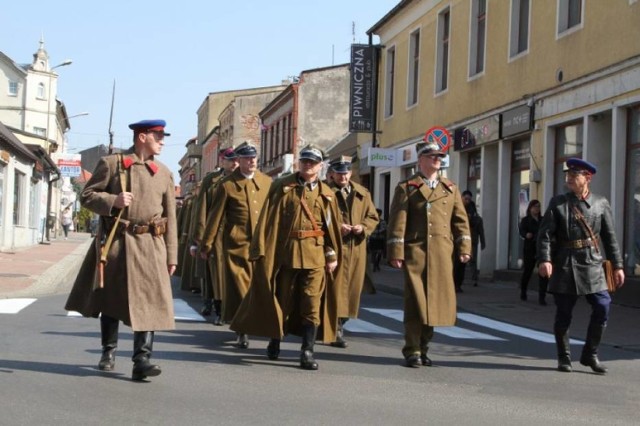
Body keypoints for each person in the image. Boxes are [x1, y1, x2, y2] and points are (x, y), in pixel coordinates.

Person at [65, 119, 178, 381]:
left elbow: (171, 218)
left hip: (151, 244)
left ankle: (142, 359)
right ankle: (109, 351)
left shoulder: (163, 172)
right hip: (119, 241)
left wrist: (172, 255)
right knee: (111, 299)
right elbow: (87, 195)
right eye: (158, 135)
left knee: (151, 301)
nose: (162, 141)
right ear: (142, 136)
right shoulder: (113, 164)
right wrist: (112, 201)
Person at [230, 144, 342, 370]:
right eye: (305, 161)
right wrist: (259, 250)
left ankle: (307, 351)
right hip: (286, 254)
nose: (308, 165)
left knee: (311, 303)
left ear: (321, 166)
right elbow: (268, 221)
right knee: (282, 300)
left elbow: (332, 228)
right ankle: (275, 339)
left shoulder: (327, 194)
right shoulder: (282, 187)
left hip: (315, 256)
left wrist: (331, 255)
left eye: (312, 162)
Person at [387, 140, 471, 368]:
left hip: (442, 253)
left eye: (440, 156)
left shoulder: (450, 188)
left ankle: (424, 347)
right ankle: (412, 350)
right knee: (415, 302)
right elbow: (397, 222)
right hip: (417, 252)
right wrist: (396, 251)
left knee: (435, 303)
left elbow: (460, 221)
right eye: (432, 156)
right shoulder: (407, 187)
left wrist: (464, 248)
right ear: (421, 159)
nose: (437, 159)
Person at [538, 158, 625, 374]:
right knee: (564, 312)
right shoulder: (558, 203)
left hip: (593, 263)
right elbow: (545, 235)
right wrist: (545, 260)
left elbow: (610, 238)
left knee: (603, 305)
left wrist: (618, 265)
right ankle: (564, 357)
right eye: (567, 175)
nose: (568, 178)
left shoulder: (600, 203)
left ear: (587, 178)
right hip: (566, 263)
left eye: (574, 175)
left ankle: (590, 354)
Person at [200, 141, 271, 349]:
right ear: (238, 161)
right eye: (247, 158)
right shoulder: (227, 185)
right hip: (236, 245)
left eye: (254, 158)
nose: (251, 162)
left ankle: (255, 324)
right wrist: (207, 244)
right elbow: (215, 216)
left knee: (259, 289)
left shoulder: (267, 182)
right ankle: (242, 331)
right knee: (241, 290)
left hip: (262, 246)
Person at [327, 155, 379, 348]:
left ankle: (341, 322)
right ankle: (334, 328)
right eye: (339, 173)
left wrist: (363, 227)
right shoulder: (326, 192)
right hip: (333, 247)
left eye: (346, 172)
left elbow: (373, 217)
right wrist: (336, 227)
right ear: (332, 174)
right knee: (332, 290)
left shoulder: (362, 193)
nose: (343, 176)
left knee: (352, 291)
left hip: (356, 249)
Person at [193, 147, 237, 323]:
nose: (234, 163)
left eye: (236, 160)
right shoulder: (212, 180)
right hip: (215, 232)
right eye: (230, 160)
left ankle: (233, 311)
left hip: (236, 233)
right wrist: (199, 237)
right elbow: (201, 208)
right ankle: (218, 309)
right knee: (215, 273)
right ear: (222, 160)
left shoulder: (242, 180)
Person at [453, 190, 485, 292]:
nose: (467, 201)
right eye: (465, 199)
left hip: (468, 240)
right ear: (461, 197)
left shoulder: (472, 209)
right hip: (455, 240)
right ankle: (453, 284)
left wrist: (471, 219)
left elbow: (477, 223)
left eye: (469, 199)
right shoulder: (456, 206)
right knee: (455, 263)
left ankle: (459, 284)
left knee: (464, 262)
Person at [519, 199, 548, 304]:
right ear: (530, 208)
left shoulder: (543, 219)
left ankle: (542, 297)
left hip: (541, 248)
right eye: (535, 206)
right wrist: (526, 234)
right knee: (528, 271)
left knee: (543, 272)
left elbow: (547, 230)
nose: (537, 208)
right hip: (530, 248)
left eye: (538, 206)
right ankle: (523, 291)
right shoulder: (526, 220)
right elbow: (522, 231)